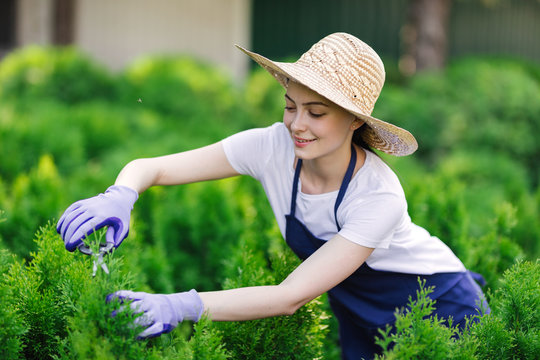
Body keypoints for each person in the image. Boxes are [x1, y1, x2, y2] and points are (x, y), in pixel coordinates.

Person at [57, 32, 488, 359]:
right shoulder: (271, 148)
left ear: (356, 121)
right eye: (290, 106)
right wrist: (120, 193)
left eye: (316, 113)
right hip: (361, 313)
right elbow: (155, 167)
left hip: (441, 309)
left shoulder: (378, 197)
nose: (297, 124)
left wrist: (178, 305)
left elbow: (289, 297)